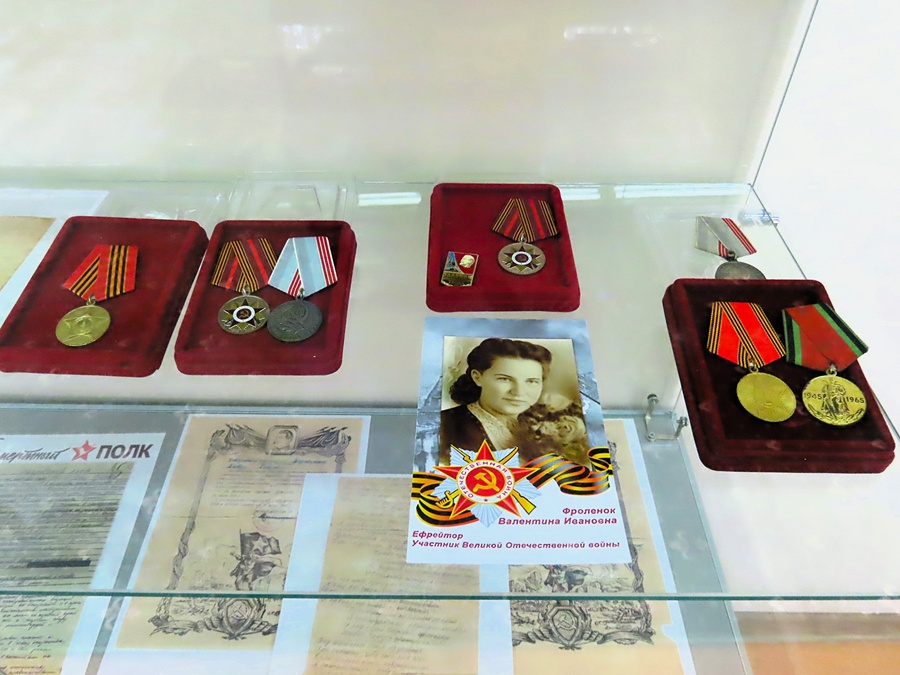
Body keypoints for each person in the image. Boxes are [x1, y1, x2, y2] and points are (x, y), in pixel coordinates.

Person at [439, 338, 551, 464]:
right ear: (477, 377)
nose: (518, 392)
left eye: (531, 381)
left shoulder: (546, 425)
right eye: (505, 379)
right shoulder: (443, 426)